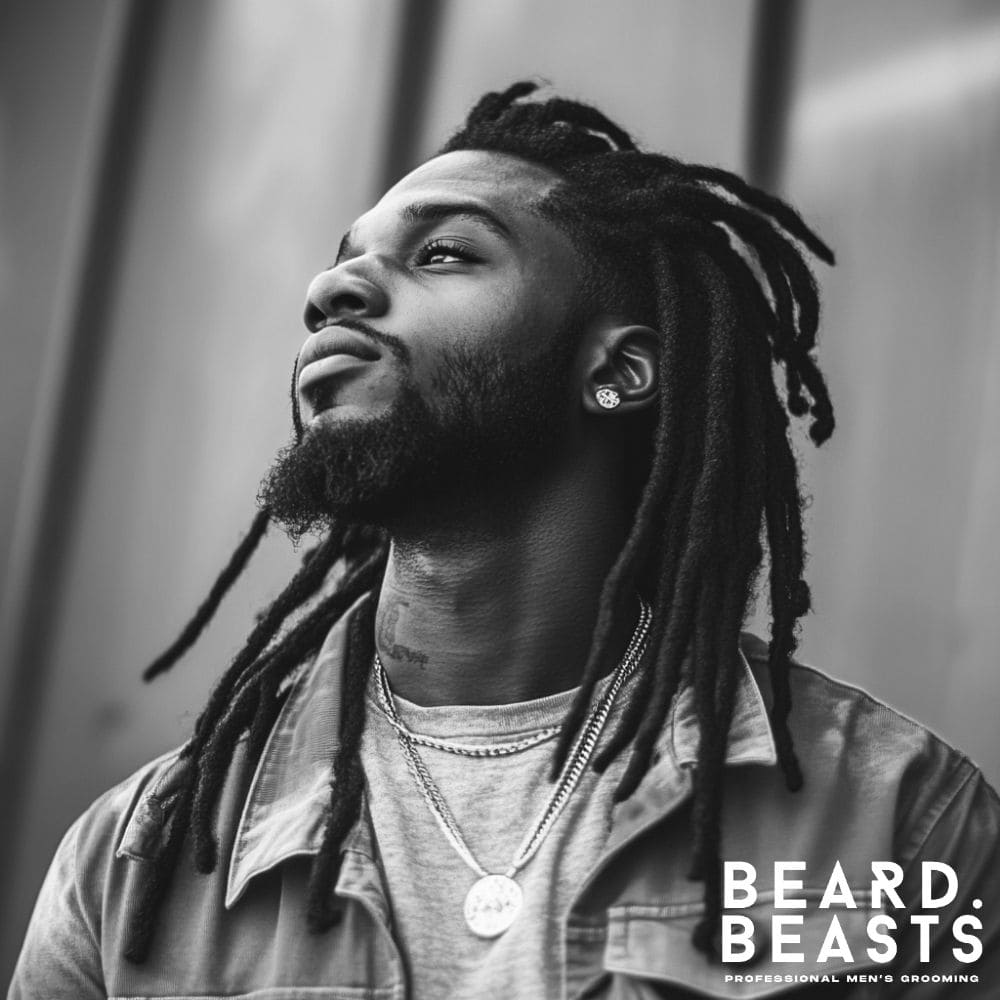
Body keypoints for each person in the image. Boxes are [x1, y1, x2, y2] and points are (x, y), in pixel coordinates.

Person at [9, 82, 999, 1000]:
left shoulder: (900, 820)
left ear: (617, 372)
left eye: (444, 252)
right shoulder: (134, 860)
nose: (333, 288)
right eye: (344, 254)